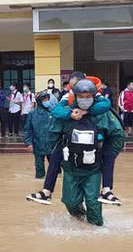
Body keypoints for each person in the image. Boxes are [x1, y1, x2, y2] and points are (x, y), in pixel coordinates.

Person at [26, 76, 122, 206]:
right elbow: (56, 111)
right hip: (71, 153)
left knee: (108, 154)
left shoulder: (99, 100)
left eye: (87, 95)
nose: (83, 95)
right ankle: (47, 191)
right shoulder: (67, 100)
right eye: (75, 89)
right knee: (55, 155)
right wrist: (70, 114)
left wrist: (86, 111)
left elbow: (107, 106)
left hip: (96, 150)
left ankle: (106, 190)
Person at [43, 79, 125, 226]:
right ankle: (81, 220)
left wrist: (108, 156)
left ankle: (96, 228)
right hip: (70, 168)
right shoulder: (66, 113)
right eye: (81, 96)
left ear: (94, 96)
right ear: (75, 96)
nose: (84, 99)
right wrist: (59, 156)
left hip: (92, 169)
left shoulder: (102, 114)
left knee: (93, 202)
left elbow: (117, 135)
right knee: (70, 202)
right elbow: (53, 135)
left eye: (88, 96)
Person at [23, 91, 54, 178]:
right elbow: (27, 129)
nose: (46, 101)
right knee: (39, 169)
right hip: (38, 144)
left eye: (47, 99)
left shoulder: (53, 112)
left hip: (52, 144)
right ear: (39, 101)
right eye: (44, 99)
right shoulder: (32, 114)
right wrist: (28, 143)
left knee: (55, 168)